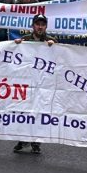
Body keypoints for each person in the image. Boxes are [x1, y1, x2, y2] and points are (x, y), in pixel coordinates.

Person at [13, 14, 57, 154]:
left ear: (46, 26)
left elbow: (60, 58)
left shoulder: (52, 41)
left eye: (42, 24)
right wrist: (16, 46)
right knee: (25, 111)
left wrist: (54, 47)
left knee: (40, 111)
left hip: (43, 83)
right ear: (33, 26)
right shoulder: (25, 40)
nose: (40, 27)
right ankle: (23, 139)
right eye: (37, 24)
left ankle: (36, 141)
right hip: (27, 81)